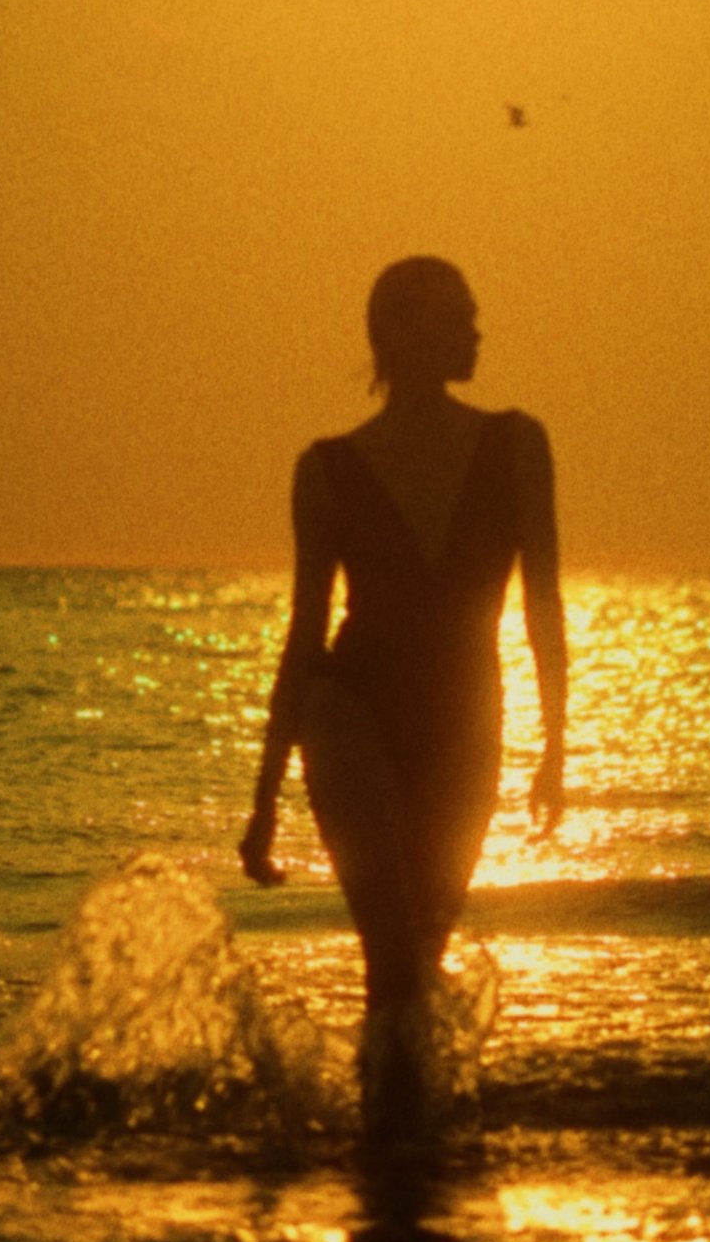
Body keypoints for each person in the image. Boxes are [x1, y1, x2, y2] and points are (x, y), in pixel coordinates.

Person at [239, 255, 566, 1139]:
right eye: (457, 318)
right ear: (397, 333)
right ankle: (392, 1160)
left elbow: (542, 601)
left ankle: (399, 1135)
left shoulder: (517, 443)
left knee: (426, 947)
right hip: (350, 711)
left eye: (473, 314)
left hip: (467, 717)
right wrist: (265, 798)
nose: (475, 332)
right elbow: (306, 636)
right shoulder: (329, 468)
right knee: (390, 953)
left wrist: (554, 749)